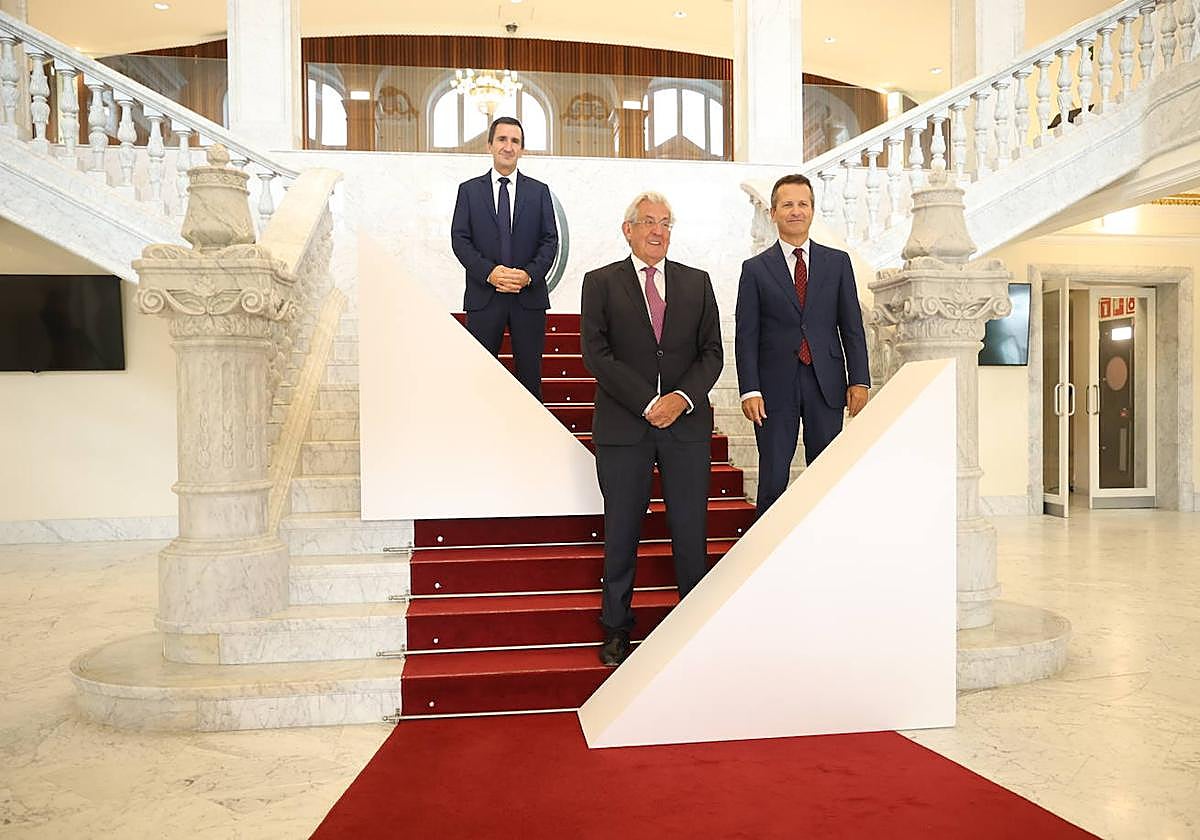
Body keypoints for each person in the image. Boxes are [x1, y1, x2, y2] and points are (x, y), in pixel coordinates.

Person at [580, 191, 723, 667]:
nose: (657, 231)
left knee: (690, 529)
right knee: (622, 530)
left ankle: (693, 625)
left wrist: (680, 400)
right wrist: (647, 403)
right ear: (628, 229)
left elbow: (712, 354)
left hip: (685, 426)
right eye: (647, 222)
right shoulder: (599, 283)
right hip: (625, 427)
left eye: (665, 222)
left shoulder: (698, 283)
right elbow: (597, 356)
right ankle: (617, 629)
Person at [735, 173, 870, 517]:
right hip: (773, 388)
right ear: (773, 213)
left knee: (826, 474)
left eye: (803, 204)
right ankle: (765, 554)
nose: (796, 211)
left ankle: (825, 545)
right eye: (787, 205)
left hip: (826, 382)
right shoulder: (755, 269)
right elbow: (746, 335)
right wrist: (749, 389)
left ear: (812, 210)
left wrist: (859, 379)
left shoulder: (837, 263)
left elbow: (851, 326)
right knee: (773, 477)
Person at [451, 116, 559, 399]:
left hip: (528, 298)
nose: (508, 146)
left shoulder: (539, 192)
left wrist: (528, 275)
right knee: (481, 379)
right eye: (502, 139)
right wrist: (490, 272)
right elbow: (460, 239)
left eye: (515, 141)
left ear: (522, 149)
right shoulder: (469, 191)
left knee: (530, 379)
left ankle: (529, 441)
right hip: (484, 297)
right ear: (489, 145)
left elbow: (550, 241)